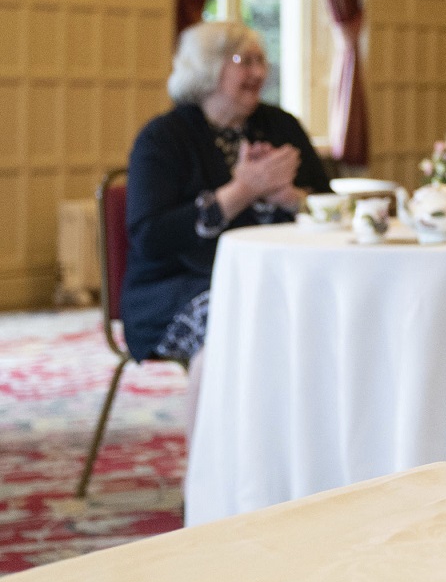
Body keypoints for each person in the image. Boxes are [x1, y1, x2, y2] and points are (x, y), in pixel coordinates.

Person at [124, 23, 331, 378]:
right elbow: (149, 237)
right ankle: (221, 433)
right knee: (242, 323)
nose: (259, 73)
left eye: (261, 61)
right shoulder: (164, 137)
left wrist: (292, 199)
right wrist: (241, 192)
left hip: (278, 277)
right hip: (176, 286)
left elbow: (333, 209)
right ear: (208, 67)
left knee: (334, 310)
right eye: (244, 61)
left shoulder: (282, 126)